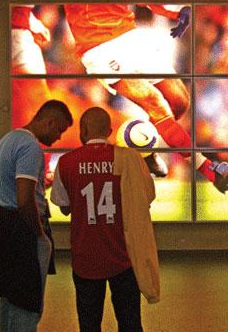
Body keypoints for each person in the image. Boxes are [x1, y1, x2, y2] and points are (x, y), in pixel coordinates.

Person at [62, 4, 228, 192]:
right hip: (98, 43)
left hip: (128, 33)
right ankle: (211, 171)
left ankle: (143, 151)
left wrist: (175, 11)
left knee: (179, 101)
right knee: (154, 102)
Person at [50, 107, 158, 331]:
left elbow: (64, 207)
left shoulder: (67, 162)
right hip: (124, 256)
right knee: (130, 323)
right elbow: (146, 198)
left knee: (89, 325)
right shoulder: (130, 158)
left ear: (82, 130)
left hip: (85, 257)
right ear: (109, 131)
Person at [0, 100, 72, 332]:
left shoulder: (9, 139)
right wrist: (39, 234)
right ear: (50, 122)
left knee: (9, 298)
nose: (59, 137)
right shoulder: (31, 147)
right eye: (59, 130)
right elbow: (24, 199)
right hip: (21, 232)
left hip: (3, 224)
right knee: (26, 303)